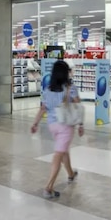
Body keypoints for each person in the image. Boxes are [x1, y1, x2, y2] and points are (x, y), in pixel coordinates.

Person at [30, 61, 84, 199]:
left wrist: (35, 123)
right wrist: (81, 124)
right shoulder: (70, 88)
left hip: (52, 126)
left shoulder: (48, 89)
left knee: (63, 150)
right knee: (58, 155)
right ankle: (49, 188)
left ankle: (71, 174)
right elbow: (78, 107)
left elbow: (43, 108)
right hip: (65, 126)